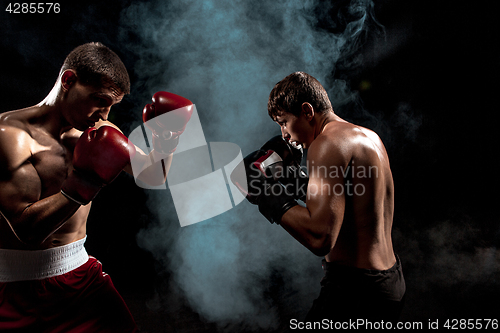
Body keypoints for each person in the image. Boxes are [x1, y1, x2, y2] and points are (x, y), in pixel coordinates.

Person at [0, 42, 193, 332]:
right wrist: (87, 182)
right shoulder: (11, 136)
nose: (104, 115)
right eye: (99, 100)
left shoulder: (99, 131)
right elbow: (28, 230)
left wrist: (167, 140)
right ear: (68, 81)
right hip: (15, 288)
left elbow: (152, 176)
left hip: (80, 277)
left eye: (111, 106)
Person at [233, 71, 405, 322]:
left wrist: (265, 194)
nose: (284, 135)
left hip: (355, 291)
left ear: (307, 111)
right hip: (389, 282)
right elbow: (348, 205)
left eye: (283, 122)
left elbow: (320, 237)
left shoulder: (326, 144)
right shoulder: (368, 137)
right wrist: (296, 181)